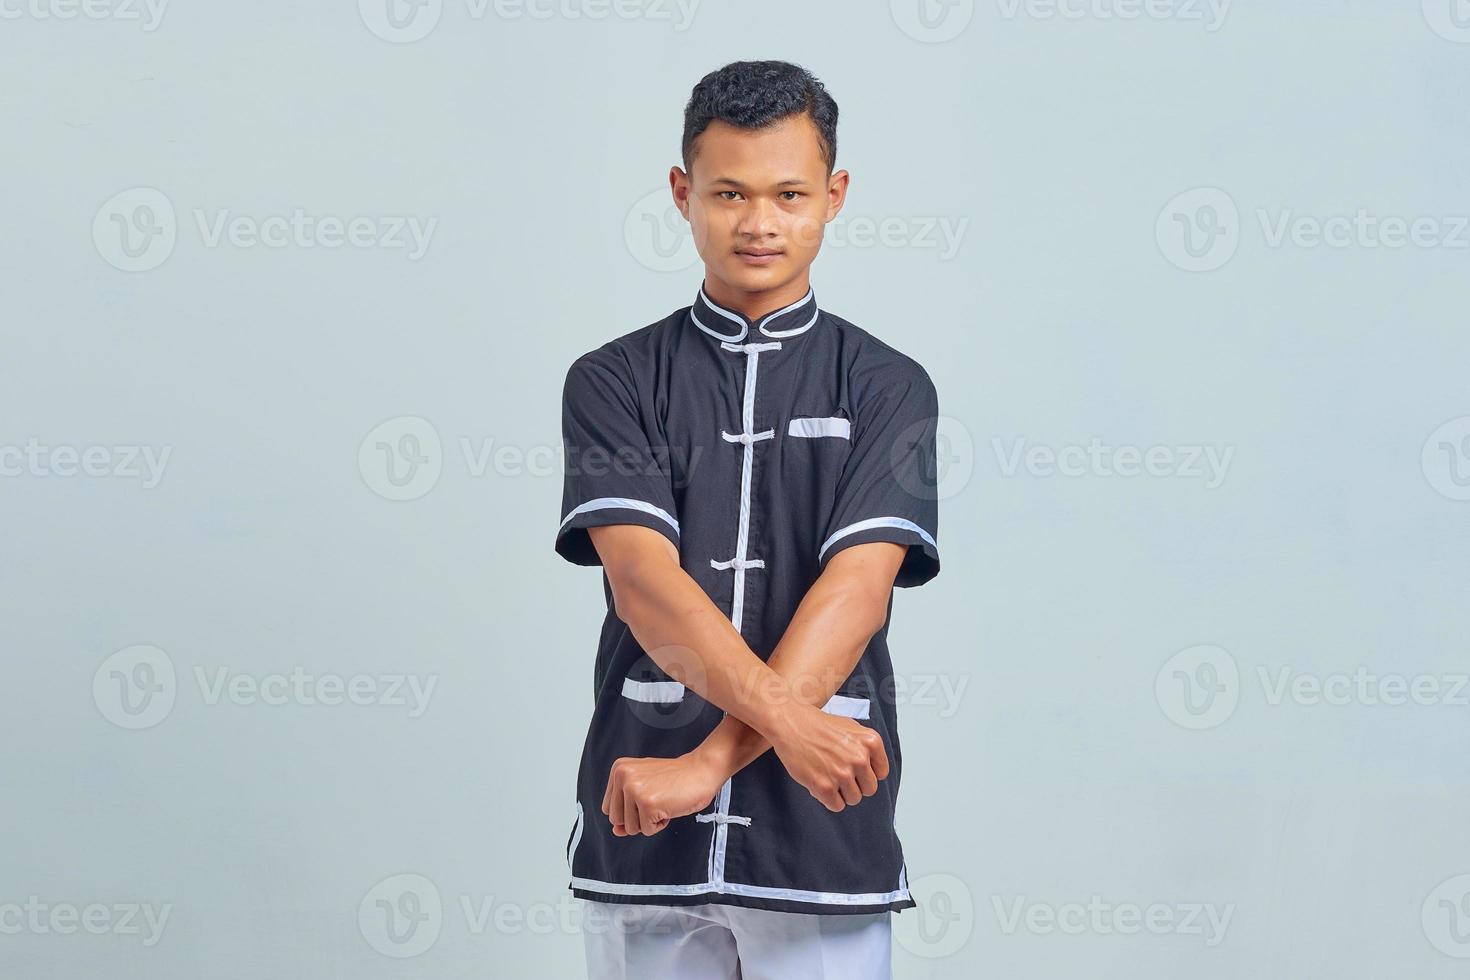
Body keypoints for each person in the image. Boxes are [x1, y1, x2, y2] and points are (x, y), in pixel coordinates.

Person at [555, 59, 943, 980]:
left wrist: (708, 765)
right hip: (641, 815)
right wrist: (771, 730)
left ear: (835, 195)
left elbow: (858, 589)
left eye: (789, 193)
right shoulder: (612, 381)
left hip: (820, 831)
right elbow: (645, 586)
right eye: (728, 192)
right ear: (683, 193)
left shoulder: (890, 386)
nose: (759, 222)